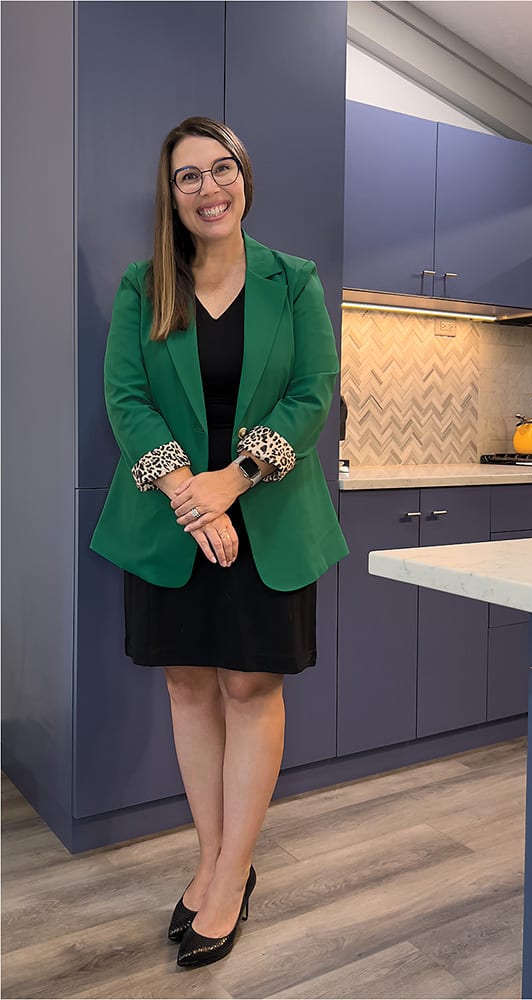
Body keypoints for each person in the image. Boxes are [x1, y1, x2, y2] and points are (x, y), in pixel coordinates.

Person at [90, 116, 348, 969]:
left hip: (267, 517)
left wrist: (230, 484)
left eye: (221, 168)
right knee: (188, 685)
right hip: (169, 523)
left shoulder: (293, 280)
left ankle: (234, 873)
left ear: (244, 176)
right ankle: (209, 860)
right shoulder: (143, 285)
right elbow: (127, 398)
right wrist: (189, 497)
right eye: (188, 176)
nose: (209, 188)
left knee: (249, 687)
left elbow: (312, 395)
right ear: (170, 195)